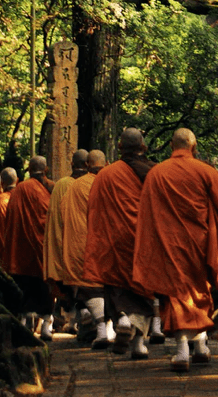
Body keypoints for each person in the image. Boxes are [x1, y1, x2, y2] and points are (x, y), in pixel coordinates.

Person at [131, 128, 218, 372]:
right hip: (200, 243)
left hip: (169, 244)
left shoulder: (157, 173)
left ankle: (185, 350)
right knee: (198, 291)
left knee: (176, 294)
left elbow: (146, 215)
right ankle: (198, 348)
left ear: (171, 146)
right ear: (193, 147)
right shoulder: (207, 171)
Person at [82, 128, 159, 359]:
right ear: (143, 147)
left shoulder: (106, 175)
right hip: (145, 242)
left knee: (117, 290)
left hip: (116, 243)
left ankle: (123, 319)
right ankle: (139, 345)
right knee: (145, 292)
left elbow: (94, 212)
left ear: (118, 148)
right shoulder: (154, 172)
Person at [61, 150, 110, 349]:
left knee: (88, 288)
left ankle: (100, 330)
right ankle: (109, 329)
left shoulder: (75, 186)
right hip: (108, 243)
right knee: (105, 288)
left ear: (88, 165)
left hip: (83, 244)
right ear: (105, 163)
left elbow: (65, 214)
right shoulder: (112, 181)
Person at [4, 157, 55, 341]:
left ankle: (28, 321)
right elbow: (51, 216)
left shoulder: (19, 190)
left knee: (26, 286)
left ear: (28, 170)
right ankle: (47, 326)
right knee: (44, 286)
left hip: (22, 248)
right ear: (46, 169)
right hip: (42, 247)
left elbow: (11, 219)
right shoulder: (49, 188)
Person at [42, 149, 89, 333]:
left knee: (70, 284)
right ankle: (82, 319)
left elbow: (53, 220)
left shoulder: (61, 185)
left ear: (71, 164)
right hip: (86, 243)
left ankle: (72, 320)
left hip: (65, 243)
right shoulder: (91, 184)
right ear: (88, 165)